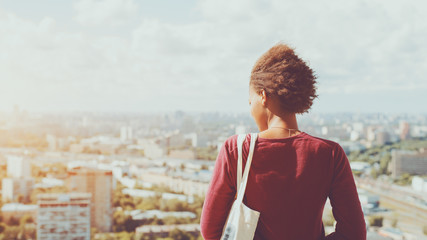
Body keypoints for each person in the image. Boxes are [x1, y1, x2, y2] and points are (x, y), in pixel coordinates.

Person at [200, 44, 366, 240]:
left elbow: (210, 231)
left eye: (250, 100)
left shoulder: (236, 150)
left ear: (262, 96)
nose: (250, 108)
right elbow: (354, 234)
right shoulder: (329, 153)